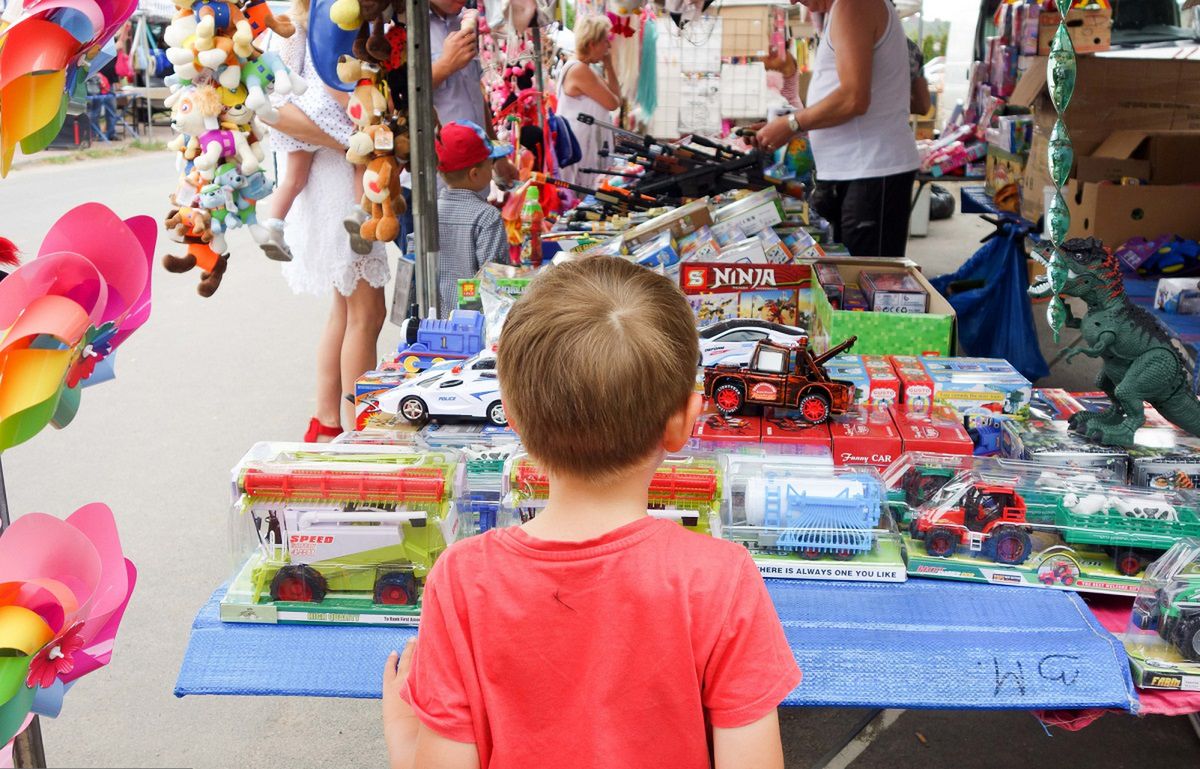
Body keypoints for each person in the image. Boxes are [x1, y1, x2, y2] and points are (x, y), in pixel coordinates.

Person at [381, 256, 802, 769]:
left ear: (510, 415)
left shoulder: (462, 580)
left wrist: (405, 734)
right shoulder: (722, 579)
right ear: (684, 423)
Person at [264, 0, 389, 441]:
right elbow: (344, 93)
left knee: (345, 309)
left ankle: (326, 420)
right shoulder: (336, 26)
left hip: (319, 171)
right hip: (338, 174)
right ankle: (361, 426)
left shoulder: (301, 23)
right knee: (367, 313)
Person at [756, 0, 920, 258]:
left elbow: (853, 98)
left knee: (867, 280)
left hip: (871, 171)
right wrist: (787, 123)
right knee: (849, 280)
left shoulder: (854, 5)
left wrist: (792, 124)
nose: (792, 1)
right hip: (858, 171)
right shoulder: (843, 9)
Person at [434, 121, 508, 318]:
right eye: (490, 164)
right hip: (476, 322)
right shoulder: (487, 216)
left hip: (434, 321)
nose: (492, 168)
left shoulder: (430, 212)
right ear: (475, 173)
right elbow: (496, 279)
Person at [557, 14, 621, 185]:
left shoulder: (585, 68)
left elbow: (616, 97)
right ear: (592, 44)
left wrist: (609, 65)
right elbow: (613, 103)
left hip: (584, 144)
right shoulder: (579, 70)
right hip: (580, 147)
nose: (608, 46)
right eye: (605, 42)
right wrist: (608, 65)